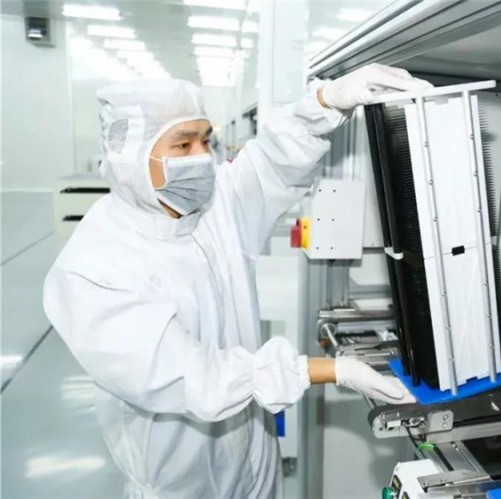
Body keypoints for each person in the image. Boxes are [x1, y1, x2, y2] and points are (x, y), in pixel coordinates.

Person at [43, 64, 432, 498]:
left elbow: (269, 165)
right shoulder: (94, 266)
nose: (201, 157)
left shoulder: (213, 206)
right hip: (180, 479)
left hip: (253, 453)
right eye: (182, 144)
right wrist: (327, 370)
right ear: (129, 155)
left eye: (205, 140)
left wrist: (326, 102)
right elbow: (188, 377)